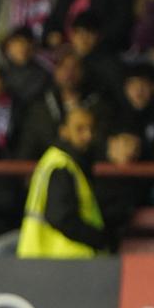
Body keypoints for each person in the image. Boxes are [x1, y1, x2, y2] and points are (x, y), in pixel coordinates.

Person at [17, 108, 107, 258]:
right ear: (64, 131)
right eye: (80, 129)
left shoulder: (57, 160)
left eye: (91, 129)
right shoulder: (62, 165)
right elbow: (61, 217)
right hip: (62, 259)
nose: (88, 135)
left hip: (44, 257)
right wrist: (98, 238)